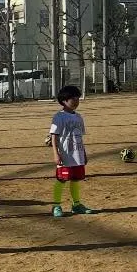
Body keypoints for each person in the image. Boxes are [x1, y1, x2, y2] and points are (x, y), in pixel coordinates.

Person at [46, 84, 92, 218]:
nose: (76, 101)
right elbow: (54, 136)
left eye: (77, 98)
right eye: (73, 99)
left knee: (76, 179)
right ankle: (56, 205)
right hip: (65, 155)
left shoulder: (78, 117)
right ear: (64, 100)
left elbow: (80, 137)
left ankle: (76, 205)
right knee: (61, 179)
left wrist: (83, 153)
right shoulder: (59, 117)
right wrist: (56, 153)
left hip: (77, 154)